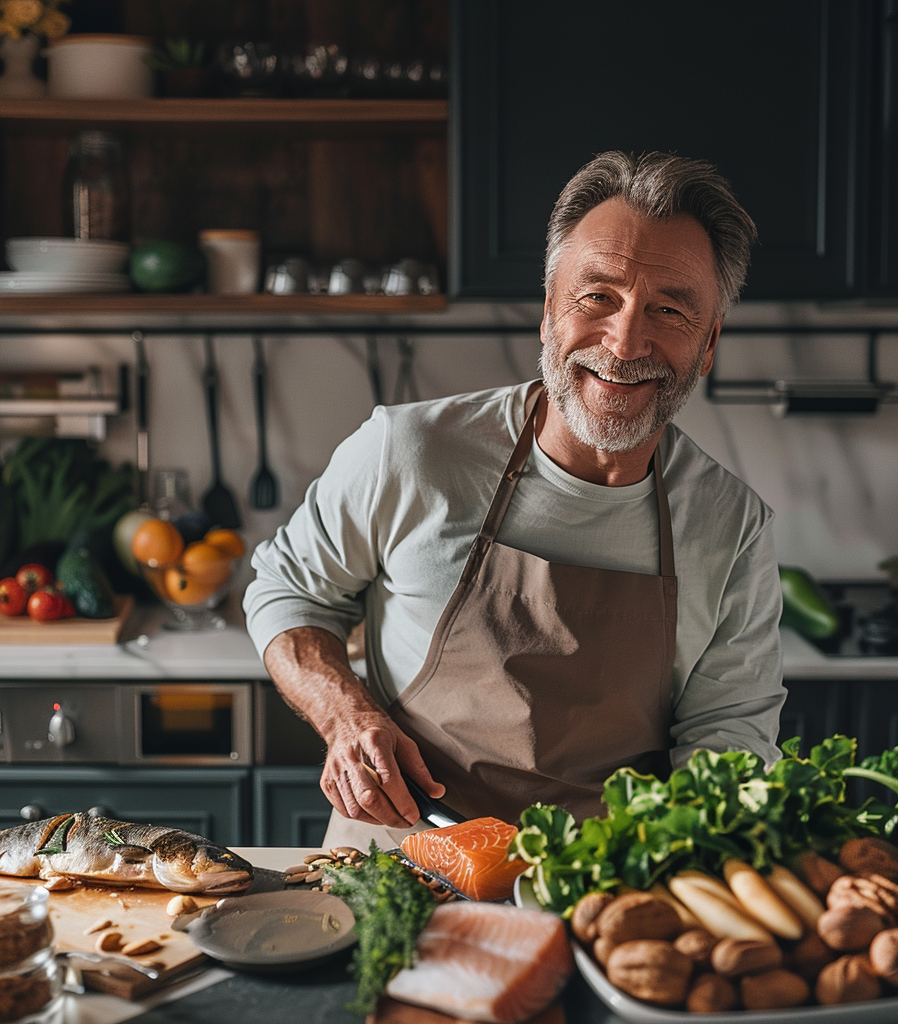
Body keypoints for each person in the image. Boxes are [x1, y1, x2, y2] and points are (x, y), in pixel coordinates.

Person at [243, 150, 786, 851]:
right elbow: (287, 589)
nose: (624, 343)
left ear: (708, 345)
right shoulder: (409, 451)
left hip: (596, 890)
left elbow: (729, 732)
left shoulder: (730, 526)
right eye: (597, 297)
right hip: (393, 867)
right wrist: (344, 714)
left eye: (671, 310)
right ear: (548, 314)